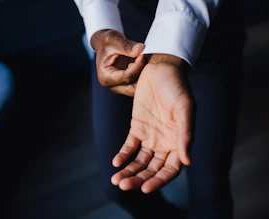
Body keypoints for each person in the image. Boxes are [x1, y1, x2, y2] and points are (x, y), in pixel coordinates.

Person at [74, 0, 246, 218]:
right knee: (118, 185)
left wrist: (166, 57)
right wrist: (102, 30)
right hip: (123, 33)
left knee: (209, 193)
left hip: (208, 35)